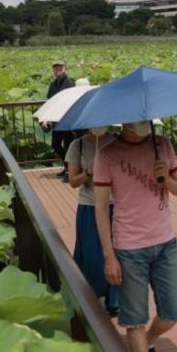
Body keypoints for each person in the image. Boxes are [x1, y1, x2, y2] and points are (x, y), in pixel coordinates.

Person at [94, 121, 177, 352]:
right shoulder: (107, 154)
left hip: (166, 242)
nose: (142, 123)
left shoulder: (163, 145)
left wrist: (165, 177)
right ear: (123, 121)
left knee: (174, 311)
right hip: (129, 247)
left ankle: (149, 342)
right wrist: (108, 256)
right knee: (134, 319)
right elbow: (101, 208)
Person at [65, 126, 119, 316]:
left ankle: (115, 299)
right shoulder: (77, 146)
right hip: (89, 206)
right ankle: (91, 295)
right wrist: (88, 172)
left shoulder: (117, 142)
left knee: (118, 252)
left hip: (116, 205)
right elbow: (73, 181)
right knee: (91, 254)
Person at [46, 60, 75, 182]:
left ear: (65, 68)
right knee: (56, 145)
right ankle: (67, 166)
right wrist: (46, 117)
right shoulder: (53, 85)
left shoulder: (70, 83)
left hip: (67, 119)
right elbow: (49, 101)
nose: (58, 70)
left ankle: (70, 170)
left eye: (60, 67)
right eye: (56, 68)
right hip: (56, 119)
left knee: (68, 145)